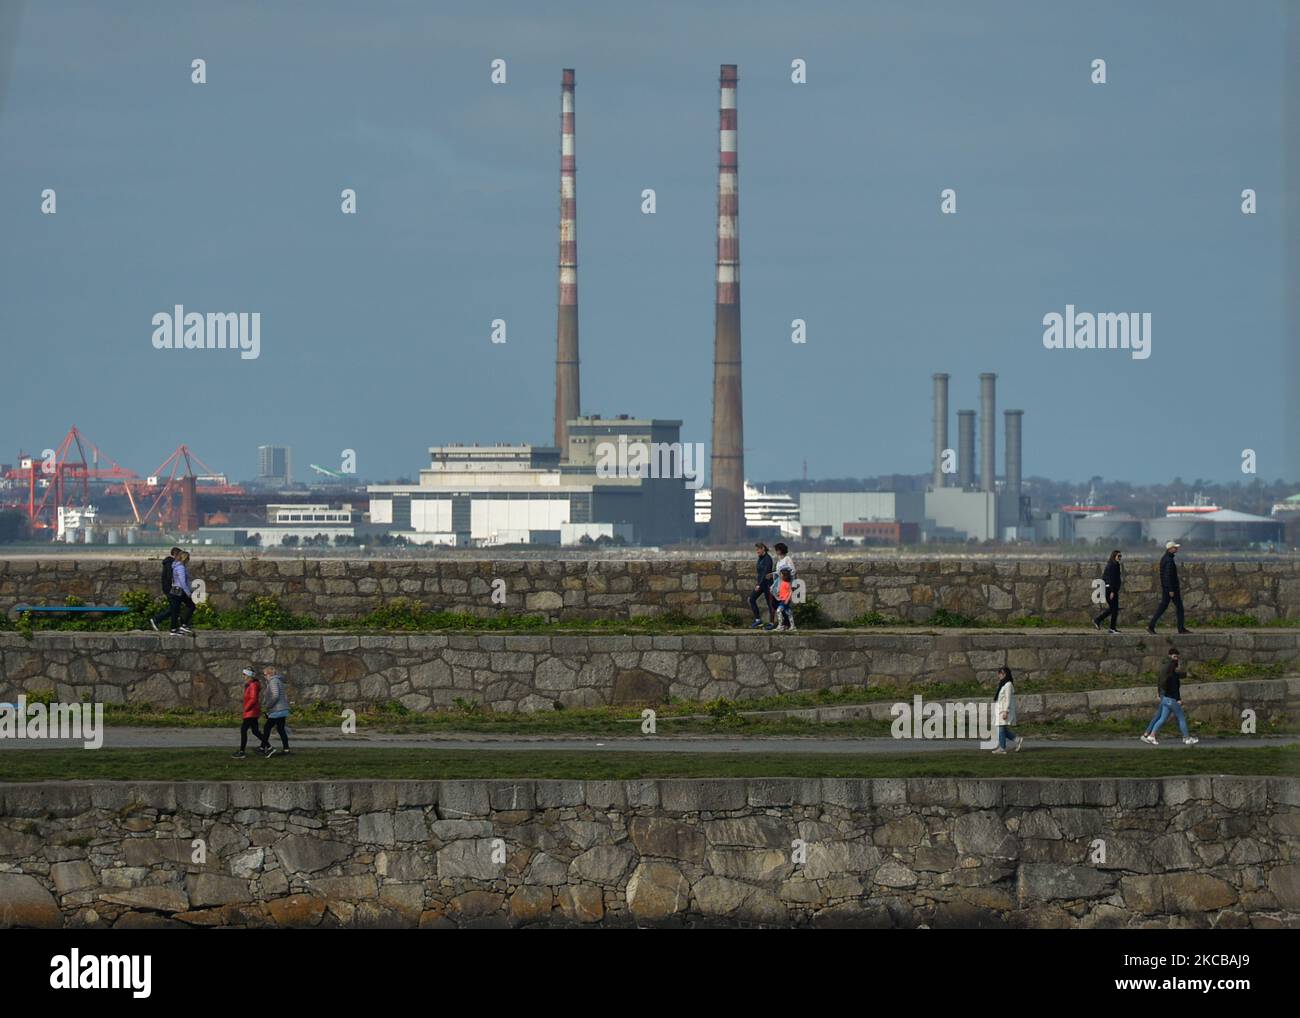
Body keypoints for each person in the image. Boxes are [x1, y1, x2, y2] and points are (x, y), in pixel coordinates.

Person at [1141, 647, 1199, 746]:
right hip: (1171, 699)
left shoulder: (1166, 671)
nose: (1176, 660)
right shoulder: (1172, 675)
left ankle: (1151, 735)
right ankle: (1186, 738)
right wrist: (1178, 699)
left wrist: (1160, 694)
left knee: (1162, 719)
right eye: (1175, 657)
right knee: (1181, 718)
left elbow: (1164, 681)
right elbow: (1174, 688)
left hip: (1165, 699)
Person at [1147, 541, 1189, 635]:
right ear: (1170, 549)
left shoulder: (1166, 558)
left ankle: (1151, 625)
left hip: (1168, 587)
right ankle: (1180, 628)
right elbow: (1167, 575)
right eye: (1175, 547)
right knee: (1178, 607)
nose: (1176, 549)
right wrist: (1170, 589)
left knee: (1164, 607)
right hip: (1171, 588)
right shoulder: (1168, 560)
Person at [232, 668, 265, 759]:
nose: (243, 676)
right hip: (252, 711)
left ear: (249, 676)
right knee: (255, 731)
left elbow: (253, 699)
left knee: (244, 730)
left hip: (251, 711)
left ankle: (242, 751)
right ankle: (268, 746)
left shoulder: (253, 685)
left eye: (244, 674)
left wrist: (246, 708)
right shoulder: (250, 684)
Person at [259, 667, 291, 757]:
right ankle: (286, 749)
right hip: (282, 709)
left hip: (277, 710)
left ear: (270, 674)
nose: (264, 677)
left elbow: (275, 696)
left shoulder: (273, 681)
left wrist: (268, 706)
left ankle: (263, 748)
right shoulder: (278, 681)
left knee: (267, 728)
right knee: (281, 729)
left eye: (265, 675)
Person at [149, 547, 183, 631]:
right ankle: (157, 619)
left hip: (172, 588)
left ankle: (175, 624)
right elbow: (169, 576)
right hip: (170, 588)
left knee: (175, 607)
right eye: (180, 555)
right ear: (175, 555)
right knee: (174, 607)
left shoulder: (172, 563)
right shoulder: (170, 563)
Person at [764, 543, 796, 631]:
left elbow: (792, 571)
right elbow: (778, 572)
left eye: (777, 549)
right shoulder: (779, 561)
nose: (776, 551)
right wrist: (772, 574)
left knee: (782, 606)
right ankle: (786, 624)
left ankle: (784, 624)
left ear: (780, 550)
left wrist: (785, 577)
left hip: (785, 585)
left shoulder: (787, 559)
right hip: (779, 585)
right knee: (777, 604)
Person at [990, 665, 1023, 754]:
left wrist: (1006, 711)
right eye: (999, 673)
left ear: (1005, 674)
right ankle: (1017, 739)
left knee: (1001, 729)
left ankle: (1002, 748)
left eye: (1000, 673)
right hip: (999, 710)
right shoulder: (1002, 684)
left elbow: (1008, 699)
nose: (999, 675)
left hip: (1004, 710)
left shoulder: (1008, 684)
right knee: (1002, 729)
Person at [1093, 549, 1124, 633]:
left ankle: (1098, 620)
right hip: (1110, 590)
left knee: (1113, 609)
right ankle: (1111, 628)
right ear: (1114, 556)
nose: (1120, 558)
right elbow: (1111, 579)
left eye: (1121, 556)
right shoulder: (1113, 565)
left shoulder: (1114, 564)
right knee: (1114, 609)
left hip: (1111, 589)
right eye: (1119, 556)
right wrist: (1112, 591)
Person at [748, 542, 776, 629]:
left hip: (767, 584)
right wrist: (758, 584)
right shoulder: (760, 558)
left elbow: (765, 573)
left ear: (763, 548)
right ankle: (758, 620)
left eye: (758, 549)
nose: (757, 551)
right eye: (756, 550)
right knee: (752, 599)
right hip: (761, 584)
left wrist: (759, 585)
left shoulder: (767, 559)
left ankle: (771, 623)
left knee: (770, 604)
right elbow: (760, 573)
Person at [168, 550, 195, 636]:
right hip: (179, 590)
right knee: (191, 606)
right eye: (188, 558)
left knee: (175, 610)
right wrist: (188, 592)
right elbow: (182, 582)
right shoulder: (181, 568)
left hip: (175, 590)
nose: (189, 560)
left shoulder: (176, 566)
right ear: (185, 558)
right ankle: (182, 625)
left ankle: (175, 628)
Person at [773, 567, 796, 632]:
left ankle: (780, 626)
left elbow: (790, 592)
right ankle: (792, 626)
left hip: (785, 600)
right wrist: (778, 594)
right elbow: (783, 591)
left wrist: (787, 599)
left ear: (784, 575)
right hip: (782, 599)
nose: (780, 575)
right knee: (789, 613)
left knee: (778, 611)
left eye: (781, 574)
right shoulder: (782, 582)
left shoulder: (787, 583)